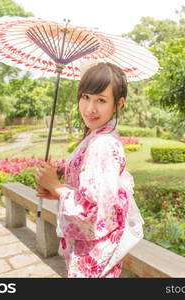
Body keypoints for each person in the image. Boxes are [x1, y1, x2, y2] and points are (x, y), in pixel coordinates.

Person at [35, 62, 144, 278]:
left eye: (101, 100)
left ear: (118, 104)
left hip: (94, 258)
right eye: (85, 97)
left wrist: (58, 189)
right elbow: (94, 194)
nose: (90, 108)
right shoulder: (99, 136)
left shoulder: (102, 144)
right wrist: (58, 191)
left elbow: (98, 214)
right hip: (91, 254)